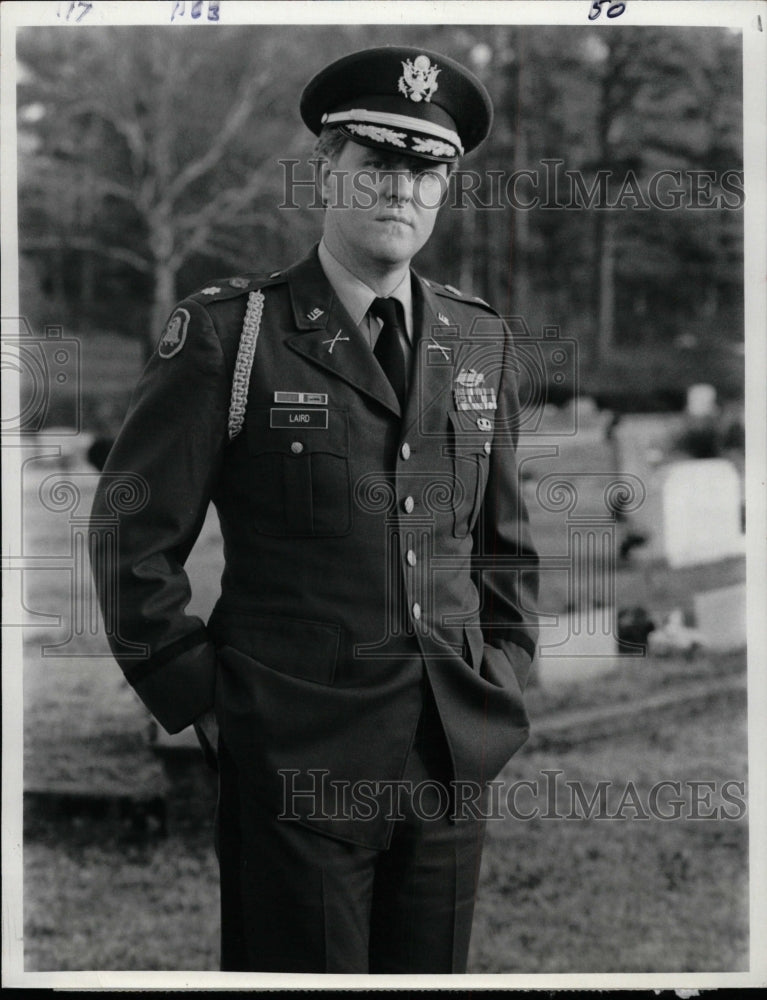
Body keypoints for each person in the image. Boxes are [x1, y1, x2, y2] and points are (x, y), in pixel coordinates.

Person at [90, 44, 539, 975]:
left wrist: (503, 668)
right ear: (323, 174)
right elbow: (132, 531)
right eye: (377, 164)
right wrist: (203, 699)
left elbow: (505, 541)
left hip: (448, 755)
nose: (401, 193)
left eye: (427, 173)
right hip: (294, 755)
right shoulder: (233, 334)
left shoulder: (475, 338)